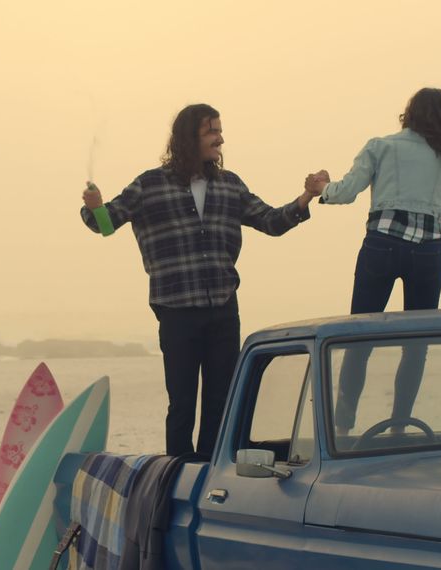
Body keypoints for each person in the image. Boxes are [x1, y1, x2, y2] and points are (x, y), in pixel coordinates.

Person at [81, 103, 320, 457]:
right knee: (182, 402)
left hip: (223, 307)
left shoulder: (230, 185)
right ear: (189, 137)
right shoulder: (149, 184)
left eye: (220, 131)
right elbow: (106, 223)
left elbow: (271, 221)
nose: (220, 139)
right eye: (212, 131)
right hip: (176, 310)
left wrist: (306, 196)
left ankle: (210, 471)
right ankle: (177, 474)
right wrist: (95, 205)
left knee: (220, 400)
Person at [304, 87, 441, 435]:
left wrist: (321, 186)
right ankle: (399, 426)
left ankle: (342, 426)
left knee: (358, 339)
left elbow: (344, 192)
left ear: (408, 115)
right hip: (427, 255)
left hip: (380, 248)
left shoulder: (379, 146)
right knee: (415, 345)